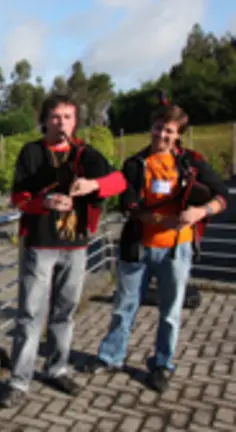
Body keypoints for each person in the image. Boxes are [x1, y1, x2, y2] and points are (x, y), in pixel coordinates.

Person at [82, 102, 227, 393]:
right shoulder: (135, 163)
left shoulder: (191, 162)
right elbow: (129, 205)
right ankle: (111, 356)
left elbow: (222, 196)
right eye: (159, 128)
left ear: (178, 135)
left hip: (177, 249)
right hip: (138, 246)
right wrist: (159, 219)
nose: (162, 135)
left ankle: (162, 363)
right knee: (124, 306)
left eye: (169, 131)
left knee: (170, 311)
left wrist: (200, 212)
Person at [0, 94, 127, 408]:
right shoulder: (31, 152)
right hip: (40, 245)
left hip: (76, 245)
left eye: (68, 117)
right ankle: (19, 380)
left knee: (64, 312)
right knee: (30, 314)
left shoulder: (85, 153)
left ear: (75, 121)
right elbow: (18, 197)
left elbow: (119, 180)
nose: (62, 123)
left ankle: (57, 368)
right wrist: (44, 202)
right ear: (45, 120)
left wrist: (93, 186)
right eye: (55, 117)